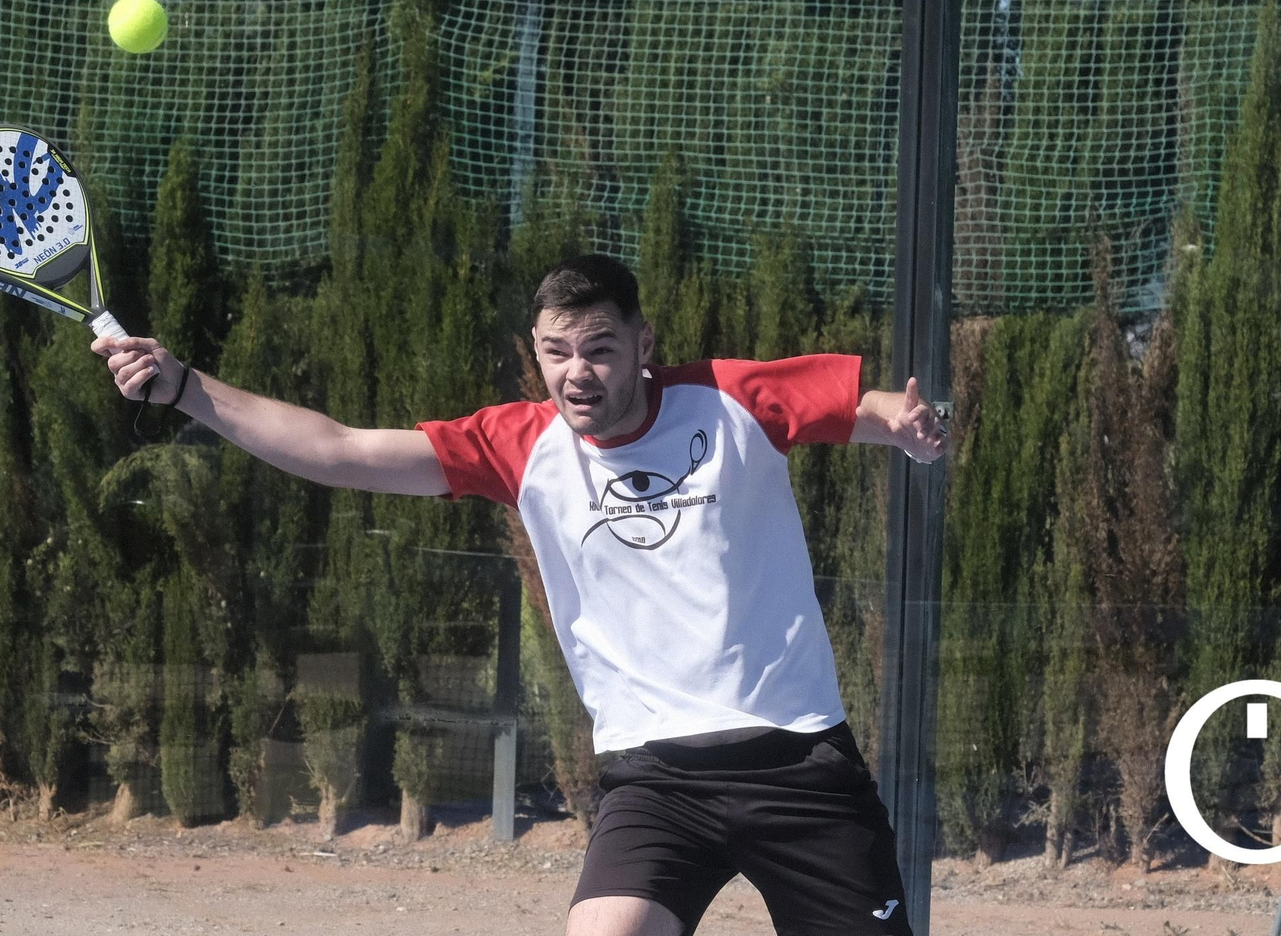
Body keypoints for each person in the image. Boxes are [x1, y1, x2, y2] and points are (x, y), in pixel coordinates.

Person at [93, 253, 948, 936]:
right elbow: (340, 448)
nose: (578, 371)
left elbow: (858, 406)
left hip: (796, 762)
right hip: (654, 781)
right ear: (535, 349)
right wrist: (184, 388)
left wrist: (901, 425)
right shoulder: (519, 445)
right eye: (557, 350)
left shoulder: (729, 398)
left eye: (601, 347)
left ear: (644, 344)